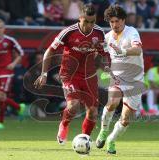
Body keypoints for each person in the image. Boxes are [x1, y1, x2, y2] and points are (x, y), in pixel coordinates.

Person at [34, 4, 109, 145]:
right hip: (70, 74)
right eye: (86, 21)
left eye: (92, 22)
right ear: (80, 18)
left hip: (89, 76)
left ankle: (84, 140)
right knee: (73, 106)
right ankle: (64, 125)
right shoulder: (68, 31)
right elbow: (49, 51)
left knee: (93, 112)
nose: (89, 25)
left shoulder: (99, 33)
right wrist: (44, 73)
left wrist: (107, 67)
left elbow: (103, 54)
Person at [95, 5, 145, 154]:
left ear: (123, 20)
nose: (114, 25)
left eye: (117, 21)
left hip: (135, 79)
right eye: (111, 22)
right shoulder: (108, 37)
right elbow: (101, 54)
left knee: (125, 119)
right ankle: (103, 131)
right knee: (112, 103)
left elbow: (138, 50)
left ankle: (111, 139)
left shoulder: (132, 32)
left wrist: (123, 51)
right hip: (117, 76)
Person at [0, 18, 25, 130]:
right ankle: (16, 109)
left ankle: (2, 120)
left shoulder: (10, 40)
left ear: (4, 29)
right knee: (1, 99)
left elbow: (21, 53)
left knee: (0, 96)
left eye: (0, 28)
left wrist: (13, 64)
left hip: (7, 72)